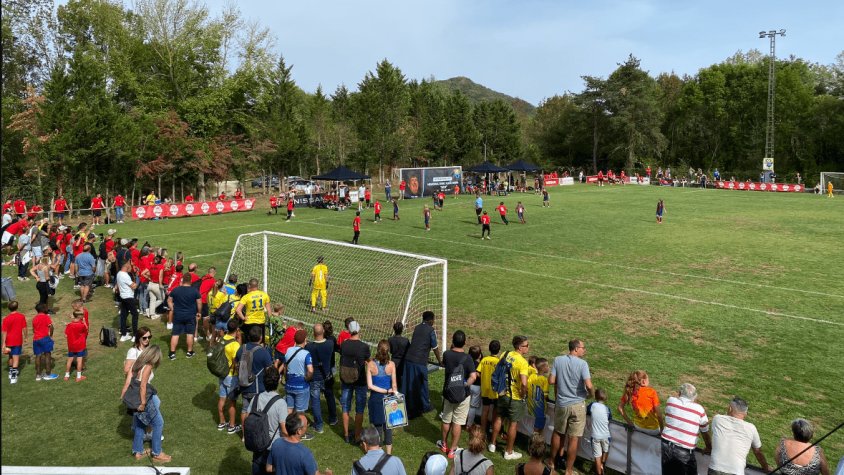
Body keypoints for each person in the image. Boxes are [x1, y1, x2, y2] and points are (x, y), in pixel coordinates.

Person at [548, 339, 593, 475]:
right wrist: (590, 395)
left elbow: (551, 381)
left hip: (561, 403)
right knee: (574, 438)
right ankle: (568, 471)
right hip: (578, 405)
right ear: (575, 349)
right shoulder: (583, 364)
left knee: (558, 433)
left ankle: (551, 463)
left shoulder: (558, 360)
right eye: (583, 348)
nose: (584, 350)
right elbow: (589, 385)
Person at [121, 345, 171, 463]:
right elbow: (143, 386)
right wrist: (143, 403)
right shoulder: (147, 367)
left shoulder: (136, 364)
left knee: (140, 425)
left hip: (134, 400)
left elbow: (128, 381)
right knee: (158, 423)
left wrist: (123, 395)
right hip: (144, 399)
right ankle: (157, 453)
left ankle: (137, 451)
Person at [437, 330, 478, 458]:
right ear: (465, 342)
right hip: (462, 395)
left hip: (448, 393)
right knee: (458, 422)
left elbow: (445, 362)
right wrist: (465, 384)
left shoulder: (447, 354)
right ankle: (453, 449)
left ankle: (444, 444)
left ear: (453, 341)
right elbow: (473, 376)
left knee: (446, 419)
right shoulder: (468, 358)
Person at [490, 335, 531, 460]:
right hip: (515, 398)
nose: (528, 348)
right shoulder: (523, 362)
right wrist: (524, 393)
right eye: (526, 345)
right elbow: (524, 383)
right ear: (520, 347)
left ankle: (492, 444)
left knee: (499, 417)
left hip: (503, 393)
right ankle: (508, 452)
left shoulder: (505, 354)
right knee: (513, 424)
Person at [708, 396, 770, 474]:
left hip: (715, 469)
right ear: (745, 413)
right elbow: (758, 452)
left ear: (730, 408)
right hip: (736, 471)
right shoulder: (751, 428)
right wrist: (766, 467)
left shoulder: (717, 419)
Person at [661, 383, 711, 475]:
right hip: (684, 451)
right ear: (694, 397)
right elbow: (705, 431)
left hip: (666, 445)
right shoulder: (699, 409)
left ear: (679, 393)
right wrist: (709, 447)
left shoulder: (671, 401)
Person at [401, 311, 442, 419]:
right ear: (430, 320)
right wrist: (440, 361)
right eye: (433, 320)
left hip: (408, 359)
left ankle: (405, 405)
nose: (434, 322)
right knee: (422, 384)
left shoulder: (417, 327)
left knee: (408, 383)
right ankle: (425, 406)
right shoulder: (431, 330)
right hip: (419, 362)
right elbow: (435, 348)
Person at [236, 326, 275, 437]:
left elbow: (236, 364)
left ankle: (244, 436)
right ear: (261, 337)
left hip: (244, 385)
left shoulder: (241, 348)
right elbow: (269, 371)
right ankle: (258, 434)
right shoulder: (263, 352)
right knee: (259, 412)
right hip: (258, 388)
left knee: (245, 410)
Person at [249, 366, 289, 475]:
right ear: (278, 381)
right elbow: (284, 430)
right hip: (273, 447)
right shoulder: (280, 403)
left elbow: (248, 418)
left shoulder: (255, 398)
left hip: (257, 444)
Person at [266, 413, 332, 475]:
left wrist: (282, 468)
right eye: (306, 425)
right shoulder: (305, 454)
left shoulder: (277, 443)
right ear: (299, 431)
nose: (307, 427)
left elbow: (268, 468)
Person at [340, 320, 370, 444]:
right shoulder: (363, 347)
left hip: (346, 379)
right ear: (359, 330)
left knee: (345, 407)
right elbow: (367, 360)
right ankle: (357, 435)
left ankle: (346, 435)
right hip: (360, 380)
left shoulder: (344, 344)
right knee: (359, 409)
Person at [366, 340, 398, 453]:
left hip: (376, 399)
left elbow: (370, 386)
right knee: (388, 427)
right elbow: (394, 385)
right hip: (389, 398)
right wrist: (390, 391)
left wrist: (382, 390)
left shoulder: (370, 364)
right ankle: (388, 454)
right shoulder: (392, 365)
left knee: (377, 427)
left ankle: (378, 453)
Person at [305, 323, 338, 432]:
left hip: (314, 377)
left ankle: (319, 426)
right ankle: (333, 419)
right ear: (323, 331)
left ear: (313, 333)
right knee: (330, 396)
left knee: (315, 400)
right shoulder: (329, 344)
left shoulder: (309, 346)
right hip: (327, 376)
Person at [618, 370, 662, 436]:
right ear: (643, 381)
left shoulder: (630, 391)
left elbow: (620, 407)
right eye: (648, 379)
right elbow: (659, 415)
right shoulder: (652, 392)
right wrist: (662, 429)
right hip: (653, 430)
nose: (649, 381)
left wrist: (630, 422)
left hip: (637, 427)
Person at [167, 274, 201, 360]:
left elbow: (169, 300)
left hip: (178, 315)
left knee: (175, 333)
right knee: (190, 334)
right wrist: (199, 312)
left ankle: (172, 353)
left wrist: (172, 308)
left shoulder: (176, 290)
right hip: (190, 315)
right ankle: (189, 352)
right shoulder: (195, 291)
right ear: (191, 281)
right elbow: (199, 303)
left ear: (182, 280)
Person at [216, 320, 241, 433]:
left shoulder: (222, 339)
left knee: (222, 398)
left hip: (222, 373)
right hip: (232, 376)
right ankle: (231, 426)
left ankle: (221, 422)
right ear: (236, 330)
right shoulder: (235, 345)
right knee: (232, 401)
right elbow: (236, 363)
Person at [282, 329, 313, 415]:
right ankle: (299, 427)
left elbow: (285, 368)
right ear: (305, 340)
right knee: (300, 412)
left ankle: (287, 426)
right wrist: (306, 379)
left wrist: (286, 378)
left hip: (289, 384)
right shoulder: (306, 354)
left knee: (289, 409)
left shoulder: (288, 350)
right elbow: (310, 371)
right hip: (301, 386)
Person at [476, 340, 500, 446]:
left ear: (489, 349)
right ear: (498, 350)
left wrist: (483, 379)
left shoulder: (484, 359)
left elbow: (477, 372)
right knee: (495, 411)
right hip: (495, 391)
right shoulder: (499, 362)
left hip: (485, 388)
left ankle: (483, 431)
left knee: (485, 410)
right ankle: (492, 428)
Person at [236, 278, 270, 342]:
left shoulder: (246, 297)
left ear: (249, 286)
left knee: (249, 343)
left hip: (249, 322)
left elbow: (238, 310)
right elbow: (269, 310)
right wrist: (270, 320)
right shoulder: (264, 295)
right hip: (261, 322)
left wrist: (243, 318)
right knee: (261, 342)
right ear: (257, 285)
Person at [31, 303, 59, 381]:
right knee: (47, 355)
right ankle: (48, 374)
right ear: (44, 309)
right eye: (46, 307)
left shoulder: (34, 318)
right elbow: (51, 327)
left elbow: (33, 330)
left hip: (36, 339)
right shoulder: (46, 317)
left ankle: (38, 375)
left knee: (38, 355)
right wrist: (51, 336)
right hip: (45, 338)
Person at [2, 301, 27, 384]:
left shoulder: (6, 319)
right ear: (17, 307)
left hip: (8, 341)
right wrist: (26, 337)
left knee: (10, 356)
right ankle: (13, 377)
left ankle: (10, 372)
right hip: (17, 341)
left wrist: (3, 343)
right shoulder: (21, 316)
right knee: (16, 358)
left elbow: (4, 332)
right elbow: (24, 328)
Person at [588, 389, 611, 475]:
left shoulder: (592, 405)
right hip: (606, 435)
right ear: (605, 398)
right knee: (606, 450)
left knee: (597, 456)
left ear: (595, 396)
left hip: (595, 436)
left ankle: (599, 472)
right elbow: (609, 417)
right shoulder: (607, 409)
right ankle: (602, 464)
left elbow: (587, 411)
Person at [115, 260, 140, 341]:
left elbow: (118, 287)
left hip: (123, 297)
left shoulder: (119, 274)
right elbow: (134, 286)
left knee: (123, 315)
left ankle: (124, 334)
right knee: (135, 315)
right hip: (129, 298)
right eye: (130, 264)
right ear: (126, 265)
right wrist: (137, 277)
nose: (131, 266)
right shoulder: (125, 275)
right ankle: (135, 335)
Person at [64, 309, 88, 381]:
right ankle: (78, 377)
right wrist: (84, 322)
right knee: (79, 360)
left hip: (71, 345)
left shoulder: (69, 325)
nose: (83, 316)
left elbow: (66, 335)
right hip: (80, 345)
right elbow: (86, 329)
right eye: (82, 315)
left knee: (70, 359)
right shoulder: (81, 325)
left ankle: (66, 376)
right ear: (79, 316)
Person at [527, 358, 550, 434]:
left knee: (534, 426)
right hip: (540, 407)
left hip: (531, 405)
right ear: (543, 368)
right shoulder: (544, 380)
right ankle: (535, 444)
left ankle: (534, 442)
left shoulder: (531, 376)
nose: (549, 367)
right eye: (547, 366)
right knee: (538, 429)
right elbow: (546, 396)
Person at [388, 322, 409, 390]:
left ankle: (394, 394)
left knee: (394, 379)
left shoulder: (390, 339)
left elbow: (390, 350)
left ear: (394, 329)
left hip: (393, 361)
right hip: (403, 362)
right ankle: (401, 394)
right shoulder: (405, 340)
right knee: (402, 379)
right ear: (402, 329)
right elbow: (408, 351)